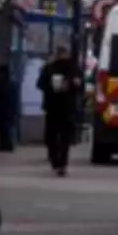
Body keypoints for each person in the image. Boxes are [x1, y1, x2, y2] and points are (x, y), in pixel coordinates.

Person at [37, 45, 82, 176]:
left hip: (58, 107)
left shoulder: (58, 68)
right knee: (60, 137)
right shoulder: (57, 68)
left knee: (58, 137)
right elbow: (41, 84)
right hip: (62, 107)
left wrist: (72, 84)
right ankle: (59, 162)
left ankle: (59, 162)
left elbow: (40, 84)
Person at [0, 64, 17, 152]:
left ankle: (6, 145)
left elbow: (1, 97)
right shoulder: (11, 83)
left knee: (3, 127)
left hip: (4, 109)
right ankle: (6, 144)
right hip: (9, 109)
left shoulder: (3, 83)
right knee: (6, 127)